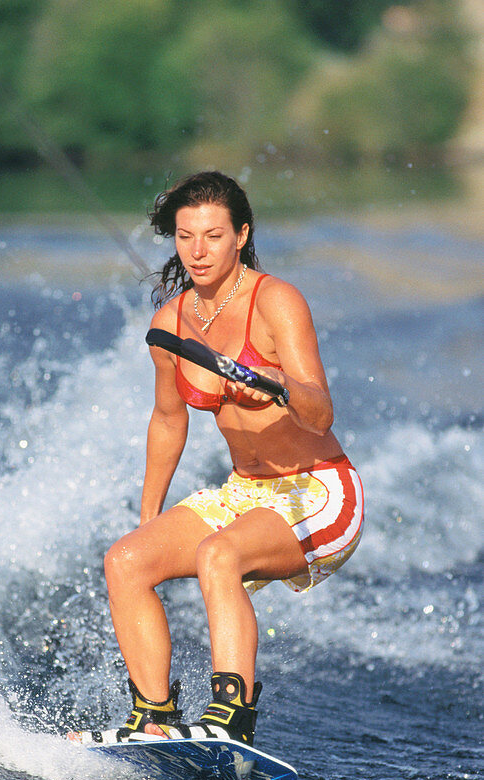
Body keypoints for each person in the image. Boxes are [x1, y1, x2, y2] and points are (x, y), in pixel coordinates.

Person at [104, 171, 364, 744]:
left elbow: (321, 414)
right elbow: (169, 421)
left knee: (218, 554)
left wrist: (276, 381)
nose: (197, 251)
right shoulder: (170, 323)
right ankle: (155, 716)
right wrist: (149, 520)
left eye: (214, 236)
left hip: (318, 490)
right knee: (126, 562)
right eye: (184, 236)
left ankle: (233, 716)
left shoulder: (275, 300)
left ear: (241, 235)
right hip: (247, 491)